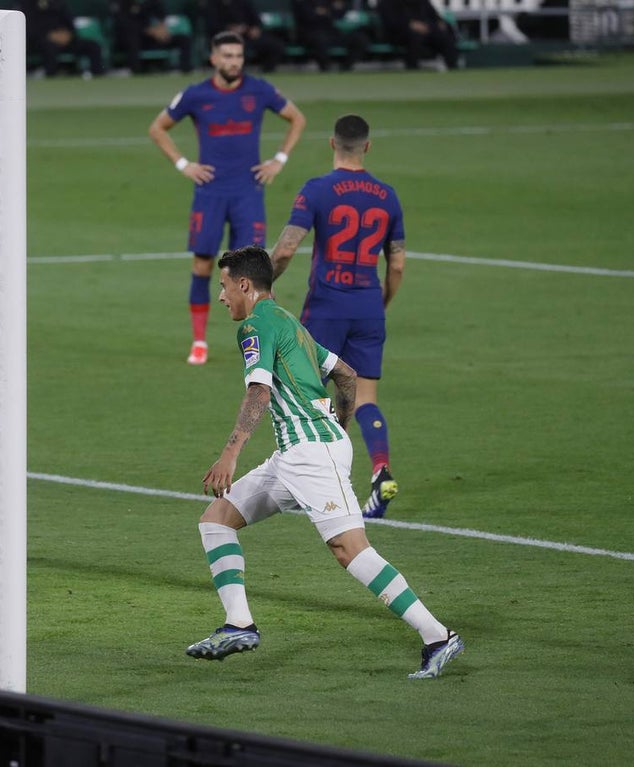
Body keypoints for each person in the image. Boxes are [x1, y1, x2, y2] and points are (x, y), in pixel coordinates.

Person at [187, 245, 463, 680]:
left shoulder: (256, 327)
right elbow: (347, 375)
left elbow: (258, 393)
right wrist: (340, 426)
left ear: (244, 285)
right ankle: (239, 624)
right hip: (297, 454)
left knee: (349, 549)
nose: (222, 297)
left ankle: (437, 636)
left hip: (311, 455)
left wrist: (230, 453)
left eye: (223, 287)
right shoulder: (291, 324)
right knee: (216, 520)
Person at [269, 114, 403, 519]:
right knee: (364, 398)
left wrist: (264, 284)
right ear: (368, 146)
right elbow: (396, 266)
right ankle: (381, 472)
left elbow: (287, 248)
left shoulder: (317, 190)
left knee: (304, 395)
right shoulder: (387, 195)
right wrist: (379, 305)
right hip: (367, 306)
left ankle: (306, 484)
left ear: (332, 144)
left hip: (326, 306)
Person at [148, 31, 306, 366]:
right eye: (227, 56)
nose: (234, 62)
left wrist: (279, 160)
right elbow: (157, 128)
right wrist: (183, 164)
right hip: (210, 192)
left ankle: (263, 340)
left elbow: (297, 119)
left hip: (248, 191)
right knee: (203, 264)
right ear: (214, 59)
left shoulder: (259, 90)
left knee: (255, 270)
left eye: (238, 56)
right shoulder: (196, 94)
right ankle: (200, 342)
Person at [19, 0, 107, 78]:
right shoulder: (28, 3)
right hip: (42, 41)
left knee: (94, 46)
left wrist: (68, 34)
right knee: (49, 48)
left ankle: (98, 75)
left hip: (65, 40)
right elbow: (28, 25)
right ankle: (50, 76)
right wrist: (48, 35)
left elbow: (70, 21)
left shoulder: (59, 3)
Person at [110, 0, 194, 74]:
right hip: (138, 38)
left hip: (155, 38)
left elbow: (162, 15)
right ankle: (136, 71)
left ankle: (185, 69)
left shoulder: (153, 2)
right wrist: (150, 31)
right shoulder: (124, 2)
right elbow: (124, 23)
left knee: (184, 39)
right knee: (132, 39)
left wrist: (162, 28)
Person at [201, 0, 284, 73]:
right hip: (226, 38)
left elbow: (257, 20)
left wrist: (255, 29)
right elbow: (212, 26)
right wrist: (230, 29)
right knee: (237, 49)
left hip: (247, 36)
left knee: (275, 45)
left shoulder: (243, 2)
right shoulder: (212, 4)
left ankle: (267, 70)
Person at [377, 0, 460, 71]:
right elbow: (390, 22)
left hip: (427, 30)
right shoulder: (387, 2)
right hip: (400, 33)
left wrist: (440, 22)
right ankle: (412, 68)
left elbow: (433, 15)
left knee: (444, 37)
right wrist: (410, 25)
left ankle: (453, 67)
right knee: (414, 38)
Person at [292, 0, 370, 72]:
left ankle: (346, 67)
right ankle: (326, 68)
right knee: (320, 40)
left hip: (332, 33)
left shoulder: (329, 2)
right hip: (312, 34)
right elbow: (309, 16)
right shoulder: (302, 2)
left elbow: (338, 14)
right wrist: (325, 12)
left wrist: (325, 12)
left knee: (360, 39)